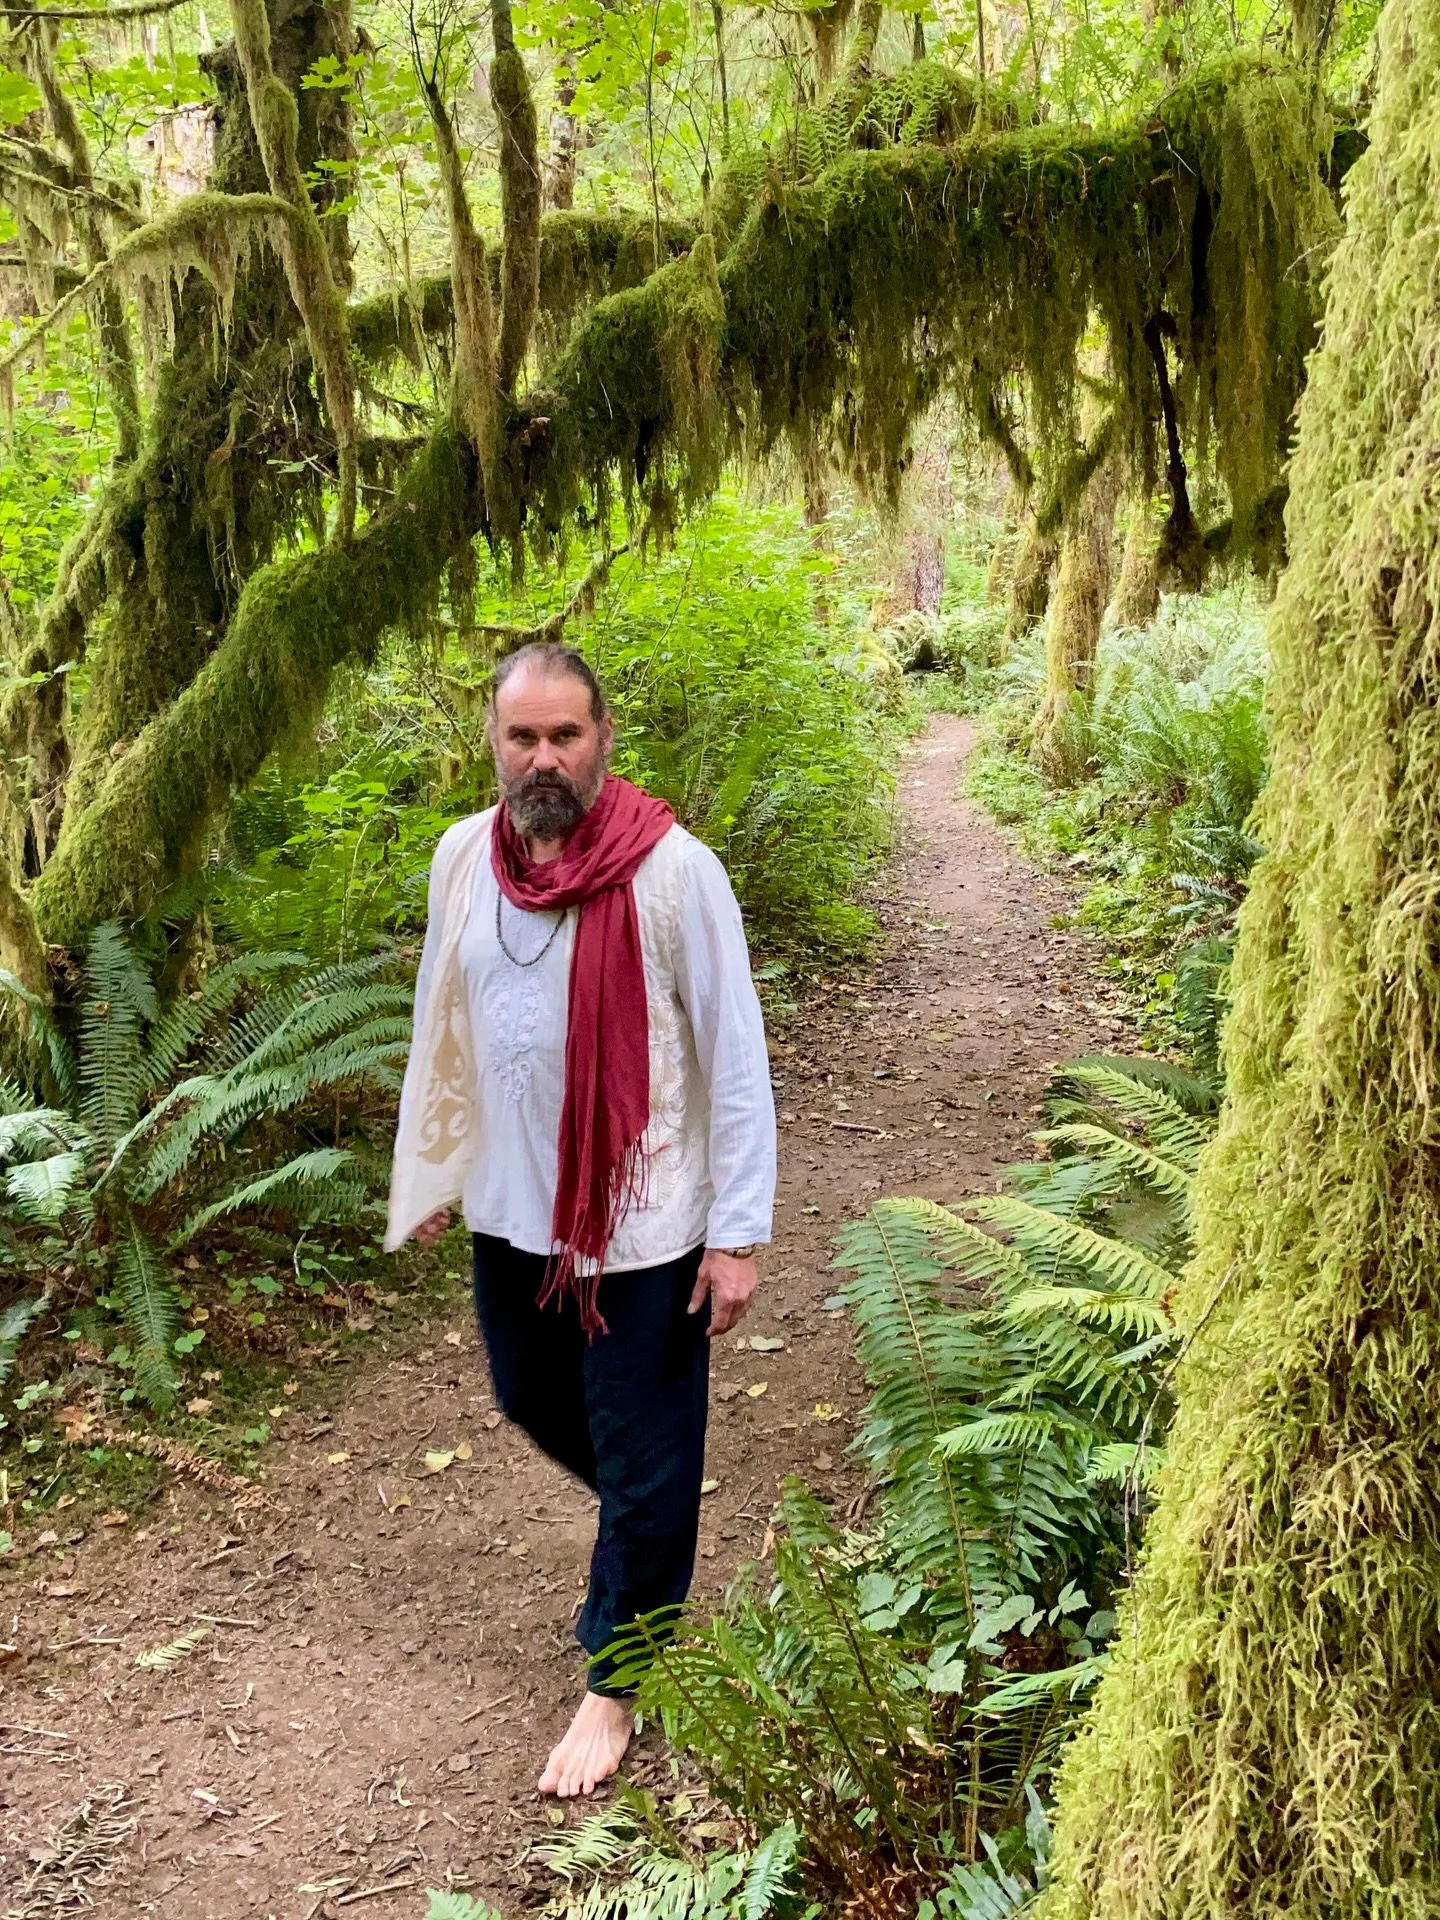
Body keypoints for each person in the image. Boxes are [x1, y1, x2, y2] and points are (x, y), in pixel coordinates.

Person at [385, 643, 776, 1799]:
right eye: (523, 737)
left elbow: (738, 1058)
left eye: (565, 735)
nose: (544, 757)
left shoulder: (672, 873)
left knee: (642, 1447)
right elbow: (440, 1016)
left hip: (645, 1219)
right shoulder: (465, 856)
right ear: (493, 743)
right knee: (530, 1398)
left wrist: (737, 1232)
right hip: (514, 1209)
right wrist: (435, 1166)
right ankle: (646, 1525)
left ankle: (617, 1677)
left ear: (603, 738)